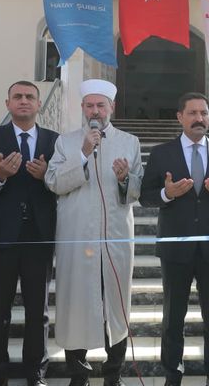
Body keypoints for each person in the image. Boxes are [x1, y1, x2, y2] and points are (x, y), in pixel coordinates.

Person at [139, 92, 209, 386]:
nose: (200, 118)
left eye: (204, 113)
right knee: (173, 319)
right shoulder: (162, 154)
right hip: (176, 250)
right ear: (180, 117)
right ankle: (172, 375)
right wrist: (166, 194)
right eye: (193, 113)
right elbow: (146, 196)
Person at [44, 79, 142, 386]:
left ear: (112, 107)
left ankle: (114, 374)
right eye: (89, 105)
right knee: (76, 302)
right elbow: (55, 183)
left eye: (101, 105)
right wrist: (84, 154)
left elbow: (137, 191)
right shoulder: (66, 142)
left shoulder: (130, 142)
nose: (95, 111)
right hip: (77, 236)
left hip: (115, 238)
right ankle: (78, 373)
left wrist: (126, 178)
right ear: (83, 108)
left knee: (116, 303)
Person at [0, 81, 58, 386]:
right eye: (17, 97)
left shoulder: (54, 140)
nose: (24, 101)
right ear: (7, 103)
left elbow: (63, 186)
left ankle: (36, 372)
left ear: (37, 104)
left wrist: (47, 177)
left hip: (38, 237)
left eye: (30, 97)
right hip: (0, 238)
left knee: (38, 311)